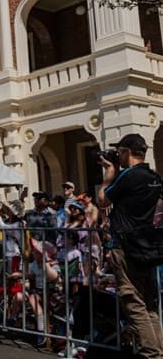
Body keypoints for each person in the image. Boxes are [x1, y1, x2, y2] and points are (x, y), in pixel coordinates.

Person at [98, 133, 163, 358]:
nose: (117, 156)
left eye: (119, 152)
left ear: (126, 152)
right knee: (149, 304)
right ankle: (157, 352)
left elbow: (103, 200)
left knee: (134, 303)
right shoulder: (153, 177)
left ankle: (151, 354)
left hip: (125, 247)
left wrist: (109, 174)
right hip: (147, 246)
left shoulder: (128, 177)